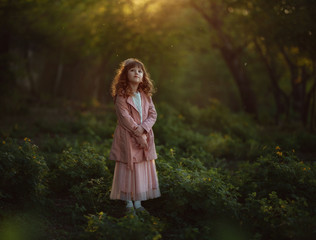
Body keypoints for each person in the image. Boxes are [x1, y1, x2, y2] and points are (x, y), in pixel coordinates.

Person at [109, 58, 161, 215]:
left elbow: (153, 114)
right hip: (128, 136)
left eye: (140, 70)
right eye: (132, 70)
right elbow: (124, 117)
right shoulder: (122, 95)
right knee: (128, 166)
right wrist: (138, 133)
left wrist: (144, 129)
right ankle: (128, 203)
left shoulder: (145, 95)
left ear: (143, 75)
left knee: (140, 168)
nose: (136, 73)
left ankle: (138, 202)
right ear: (125, 74)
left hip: (144, 135)